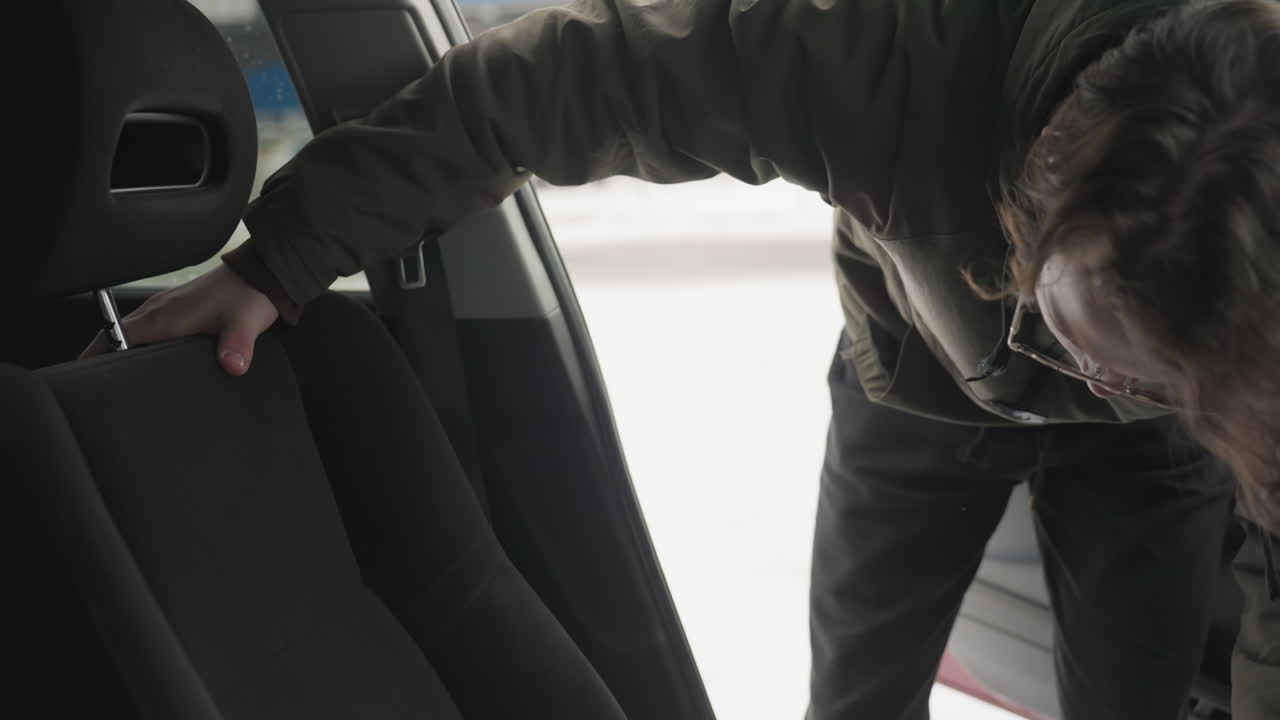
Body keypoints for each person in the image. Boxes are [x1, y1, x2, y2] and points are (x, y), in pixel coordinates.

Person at [89, 0, 1280, 717]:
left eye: (1148, 369)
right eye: (1086, 336)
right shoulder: (882, 61)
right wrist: (278, 259)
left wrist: (1168, 397)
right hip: (910, 388)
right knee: (858, 691)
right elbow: (559, 82)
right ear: (1030, 197)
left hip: (1158, 466)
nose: (1092, 382)